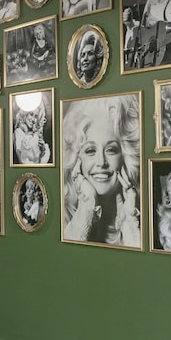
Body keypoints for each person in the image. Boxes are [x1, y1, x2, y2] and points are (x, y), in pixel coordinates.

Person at [62, 95, 140, 247]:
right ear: (76, 158)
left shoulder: (137, 214)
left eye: (111, 150)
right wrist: (87, 204)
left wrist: (129, 218)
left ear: (125, 156)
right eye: (90, 150)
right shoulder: (63, 216)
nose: (101, 162)